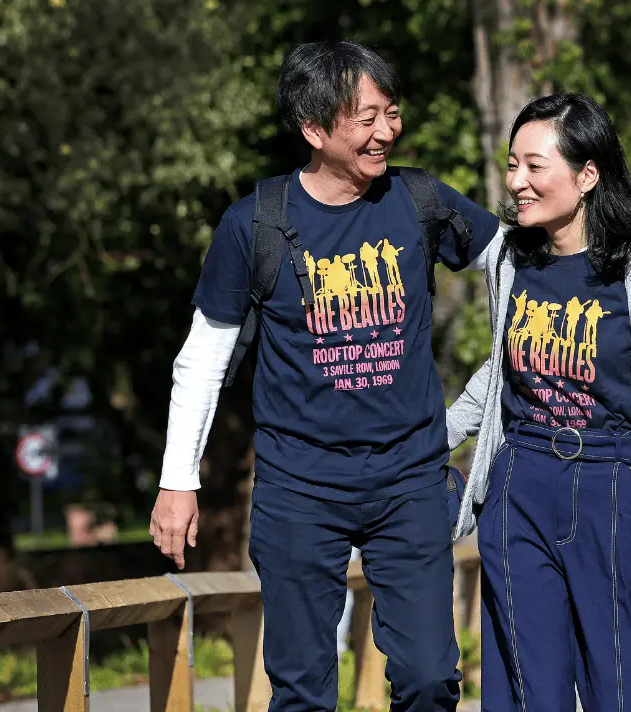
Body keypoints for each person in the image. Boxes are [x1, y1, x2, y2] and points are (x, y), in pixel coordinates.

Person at [149, 40, 502, 712]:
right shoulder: (256, 223)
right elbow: (203, 357)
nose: (386, 132)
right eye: (366, 119)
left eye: (391, 114)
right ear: (315, 130)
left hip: (409, 478)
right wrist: (177, 480)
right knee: (304, 690)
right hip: (299, 485)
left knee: (430, 679)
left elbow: (515, 263)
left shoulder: (419, 200)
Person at [446, 92, 631, 711]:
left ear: (587, 175)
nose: (518, 182)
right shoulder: (509, 260)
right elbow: (503, 370)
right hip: (520, 491)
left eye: (536, 166)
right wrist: (426, 441)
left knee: (626, 693)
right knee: (534, 697)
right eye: (513, 165)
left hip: (616, 498)